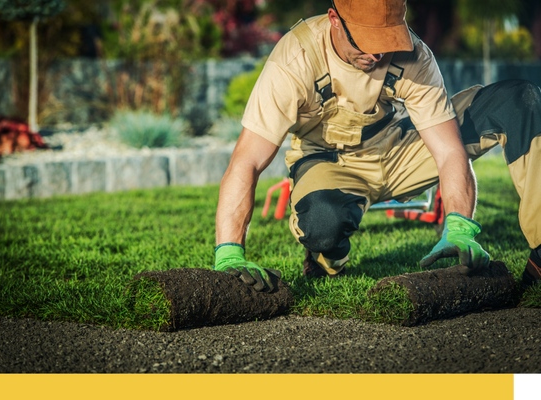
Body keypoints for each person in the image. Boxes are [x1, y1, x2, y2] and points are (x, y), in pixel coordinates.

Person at [213, 0, 541, 293]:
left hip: (400, 147)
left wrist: (458, 226)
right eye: (367, 42)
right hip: (330, 162)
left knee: (518, 99)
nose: (375, 55)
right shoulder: (295, 59)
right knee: (323, 225)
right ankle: (328, 257)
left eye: (385, 42)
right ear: (334, 19)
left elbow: (448, 150)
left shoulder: (415, 55)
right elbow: (247, 161)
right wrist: (229, 251)